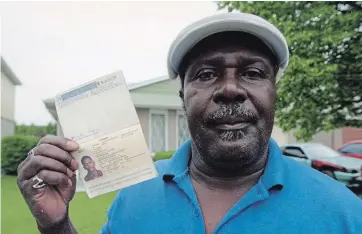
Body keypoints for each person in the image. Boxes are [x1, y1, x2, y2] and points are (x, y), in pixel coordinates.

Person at [17, 12, 362, 234]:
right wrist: (57, 226)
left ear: (273, 93)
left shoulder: (344, 213)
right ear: (182, 97)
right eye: (207, 74)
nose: (230, 89)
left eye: (253, 73)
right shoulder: (135, 196)